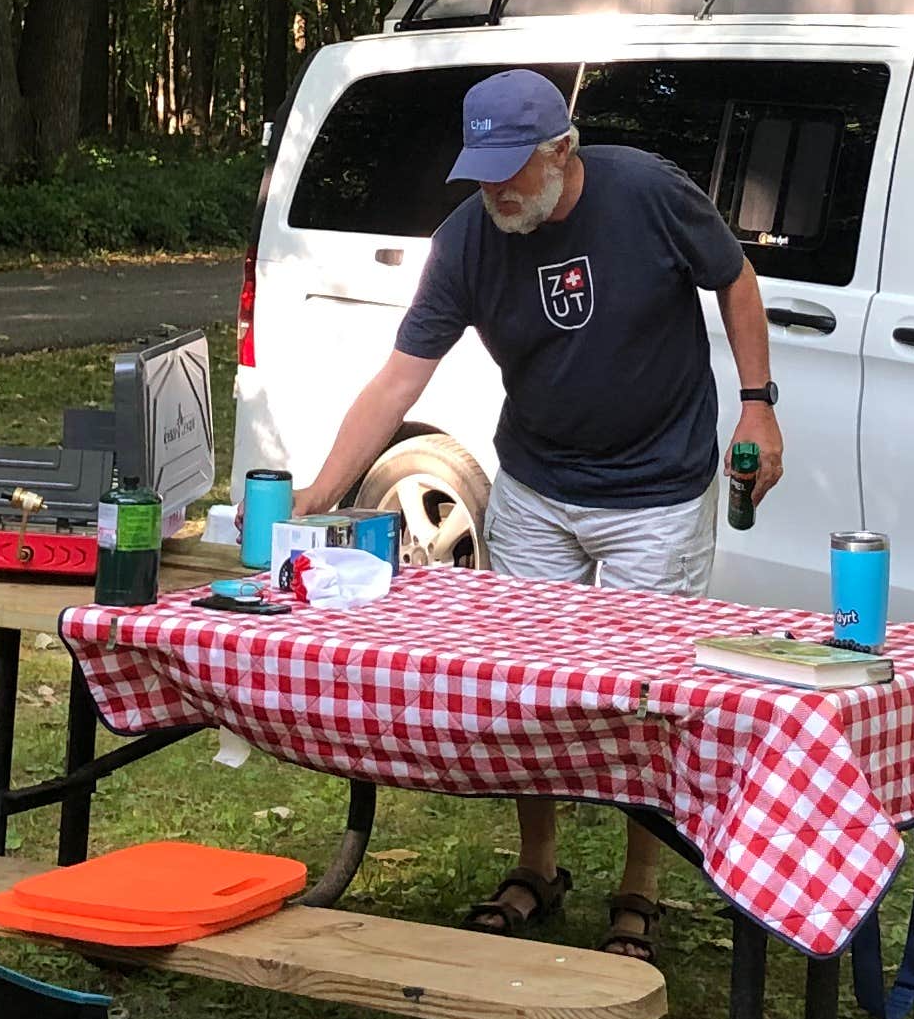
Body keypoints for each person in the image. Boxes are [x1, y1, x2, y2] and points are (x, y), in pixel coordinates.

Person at [299, 68, 783, 961]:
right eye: (481, 174)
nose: (496, 193)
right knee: (530, 686)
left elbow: (737, 280)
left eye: (511, 172)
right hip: (535, 483)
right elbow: (401, 378)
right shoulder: (466, 241)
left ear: (562, 151)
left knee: (647, 693)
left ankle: (640, 885)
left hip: (658, 488)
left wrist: (758, 405)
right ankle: (538, 864)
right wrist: (323, 489)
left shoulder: (648, 193)